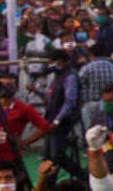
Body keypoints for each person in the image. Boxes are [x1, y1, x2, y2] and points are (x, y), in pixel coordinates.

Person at [0, 81, 53, 164]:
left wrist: (26, 142)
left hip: (11, 153)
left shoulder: (24, 108)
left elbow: (45, 127)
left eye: (9, 85)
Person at [42, 49, 83, 182]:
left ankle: (83, 177)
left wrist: (57, 120)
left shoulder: (70, 76)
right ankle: (49, 182)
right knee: (49, 154)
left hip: (62, 121)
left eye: (51, 61)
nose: (49, 64)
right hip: (52, 118)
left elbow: (70, 101)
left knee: (56, 155)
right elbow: (50, 96)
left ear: (59, 61)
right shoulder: (58, 76)